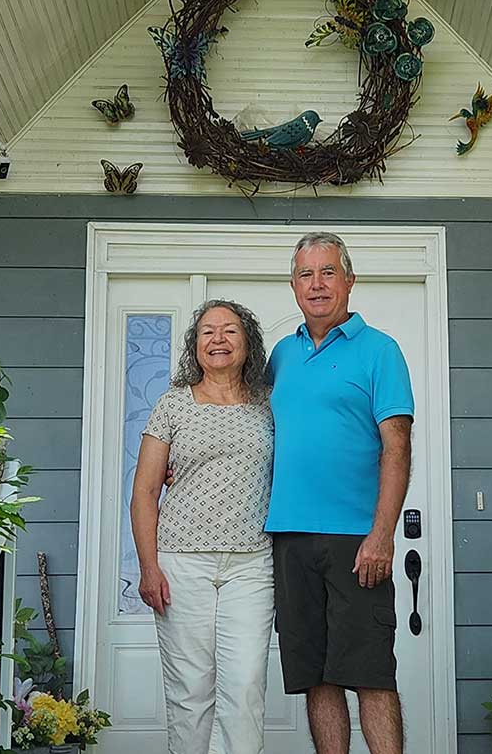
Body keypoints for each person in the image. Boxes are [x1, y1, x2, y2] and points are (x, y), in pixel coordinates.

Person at [267, 231, 414, 754]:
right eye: (306, 274)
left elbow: (396, 449)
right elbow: (245, 426)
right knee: (316, 676)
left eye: (328, 272)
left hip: (357, 540)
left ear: (350, 281)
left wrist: (382, 535)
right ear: (293, 286)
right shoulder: (280, 356)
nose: (317, 284)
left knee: (372, 674)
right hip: (289, 539)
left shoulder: (380, 351)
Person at [129, 299, 275, 754]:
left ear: (248, 344)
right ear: (194, 346)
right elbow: (145, 492)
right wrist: (149, 567)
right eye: (207, 332)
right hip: (180, 564)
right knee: (189, 692)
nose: (218, 339)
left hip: (251, 565)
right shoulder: (173, 404)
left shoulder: (270, 406)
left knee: (246, 685)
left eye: (230, 331)